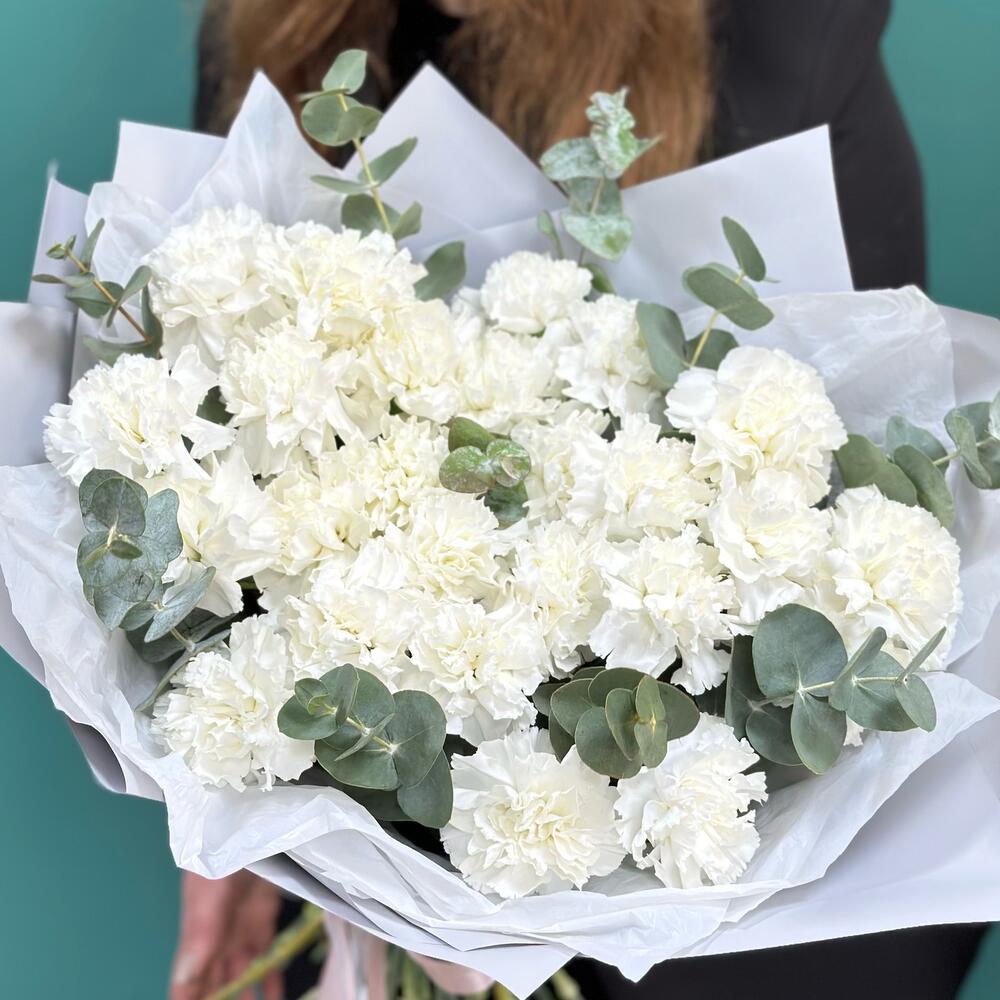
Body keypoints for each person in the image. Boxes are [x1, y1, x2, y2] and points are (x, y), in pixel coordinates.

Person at [173, 1, 981, 997]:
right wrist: (238, 833)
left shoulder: (785, 37)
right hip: (376, 804)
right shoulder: (278, 27)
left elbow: (864, 465)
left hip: (747, 891)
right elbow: (221, 424)